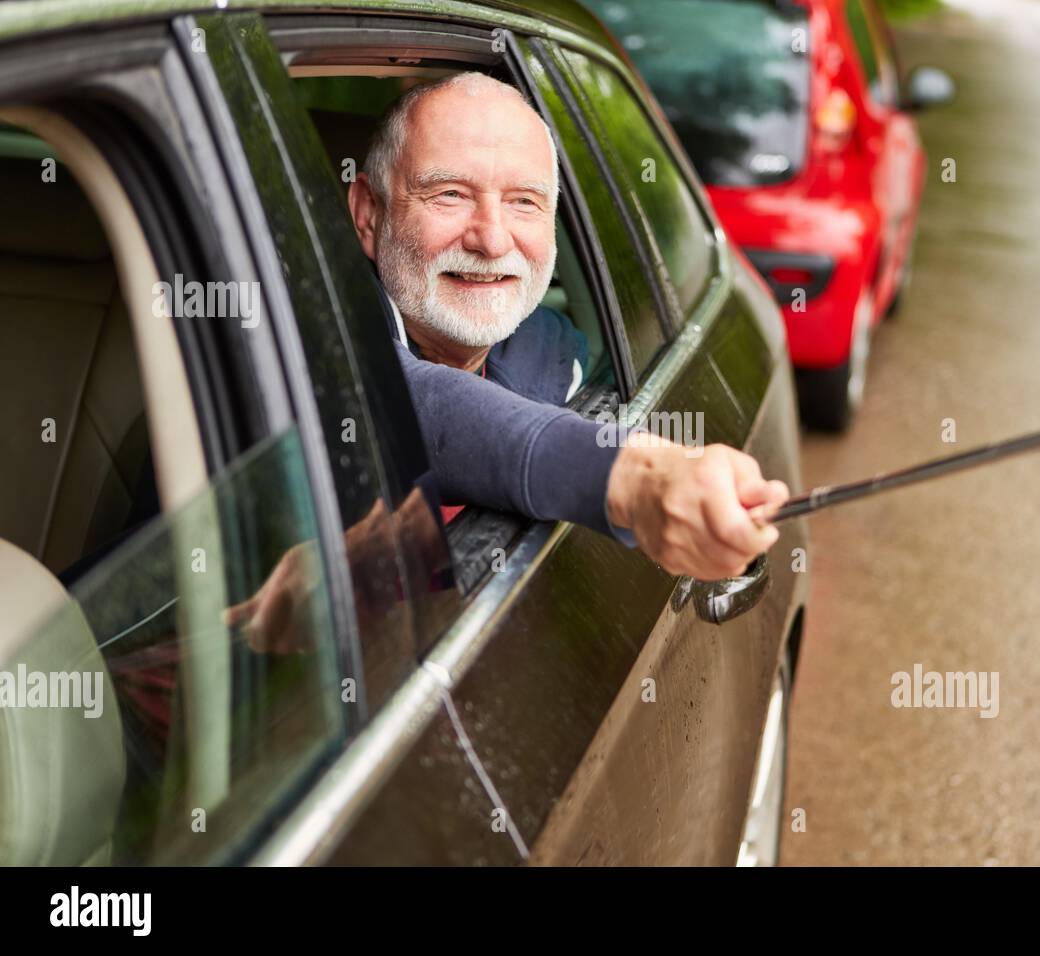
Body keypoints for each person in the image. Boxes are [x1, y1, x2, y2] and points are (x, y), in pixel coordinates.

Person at [227, 72, 789, 653]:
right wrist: (634, 477)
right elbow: (398, 399)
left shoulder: (558, 350)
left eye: (524, 202)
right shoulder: (291, 332)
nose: (492, 240)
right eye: (449, 194)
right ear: (369, 214)